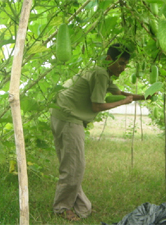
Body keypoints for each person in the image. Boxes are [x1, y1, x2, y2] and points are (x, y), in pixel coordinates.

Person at [50, 43, 152, 221]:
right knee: (75, 166)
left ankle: (80, 205)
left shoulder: (101, 72)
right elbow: (97, 105)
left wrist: (145, 96)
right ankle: (62, 207)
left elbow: (120, 93)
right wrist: (121, 103)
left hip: (59, 114)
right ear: (108, 59)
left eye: (125, 64)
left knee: (72, 165)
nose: (123, 68)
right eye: (120, 63)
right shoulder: (100, 74)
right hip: (69, 117)